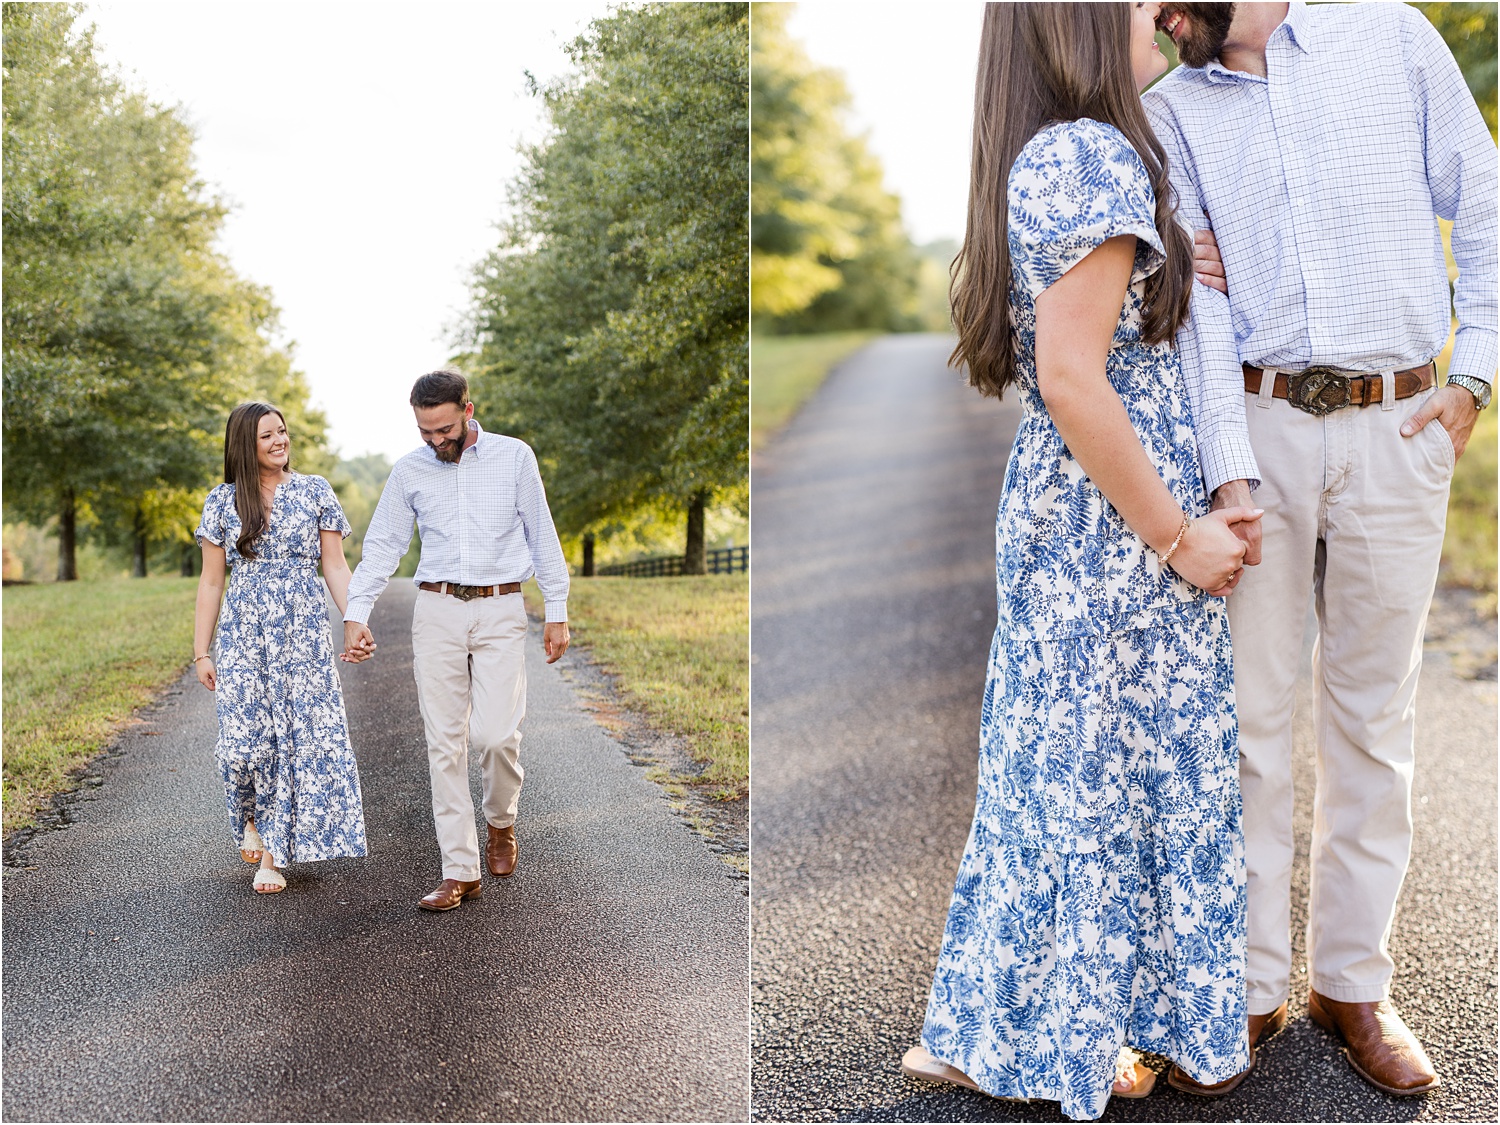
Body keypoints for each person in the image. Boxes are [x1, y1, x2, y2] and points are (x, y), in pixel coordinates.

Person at [899, 4, 1261, 1118]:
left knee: (1067, 775)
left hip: (1080, 517)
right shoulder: (1090, 153)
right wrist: (1178, 532)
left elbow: (1092, 340)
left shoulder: (1063, 154)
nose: (1159, 10)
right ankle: (1056, 1039)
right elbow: (1072, 377)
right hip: (1113, 529)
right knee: (1103, 778)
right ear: (1081, 28)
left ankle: (1028, 1030)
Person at [1143, 1, 1495, 1097]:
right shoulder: (1168, 110)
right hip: (1260, 431)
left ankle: (1354, 985)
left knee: (1374, 717)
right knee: (1249, 715)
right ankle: (1246, 993)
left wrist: (1474, 371)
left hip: (1402, 425)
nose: (1160, 12)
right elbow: (1192, 304)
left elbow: (1483, 199)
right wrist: (1224, 465)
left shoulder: (1388, 36)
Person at [342, 369, 571, 913]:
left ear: (468, 410)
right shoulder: (409, 471)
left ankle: (501, 822)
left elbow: (542, 533)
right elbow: (382, 546)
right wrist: (356, 612)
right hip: (438, 610)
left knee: (495, 736)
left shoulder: (515, 457)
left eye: (443, 429)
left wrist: (557, 611)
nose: (435, 441)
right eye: (425, 432)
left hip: (500, 607)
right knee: (444, 742)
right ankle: (459, 869)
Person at [193, 402, 369, 894]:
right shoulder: (222, 501)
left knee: (295, 739)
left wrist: (355, 619)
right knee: (242, 742)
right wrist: (201, 651)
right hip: (245, 633)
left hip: (303, 632)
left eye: (283, 432)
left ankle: (272, 853)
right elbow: (211, 582)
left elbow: (334, 565)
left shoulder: (315, 491)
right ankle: (250, 817)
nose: (280, 441)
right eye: (267, 435)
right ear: (244, 445)